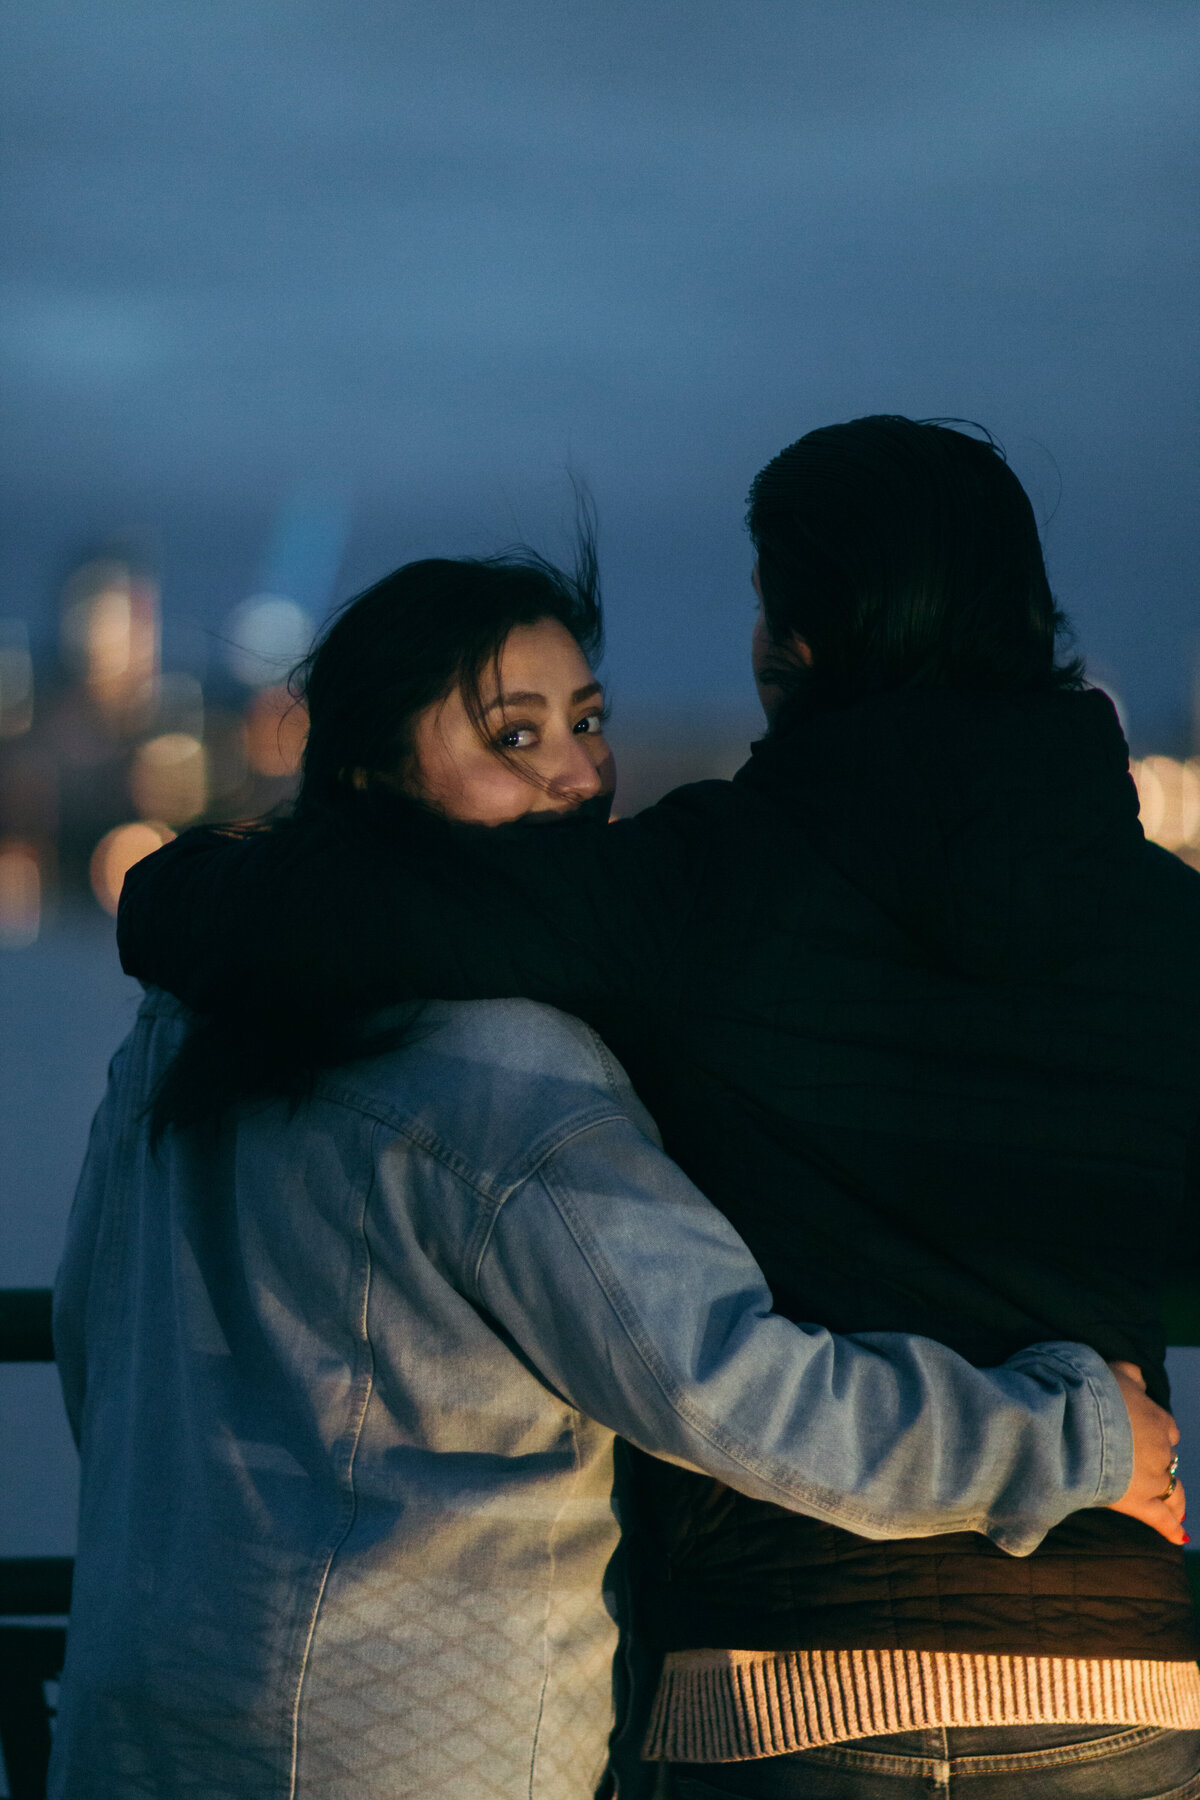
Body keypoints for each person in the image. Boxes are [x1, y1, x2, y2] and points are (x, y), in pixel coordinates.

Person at [117, 421, 1200, 1798]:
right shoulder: (1171, 930)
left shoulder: (702, 890)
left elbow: (331, 910)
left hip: (783, 1682)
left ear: (794, 640)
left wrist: (173, 885)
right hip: (1121, 1661)